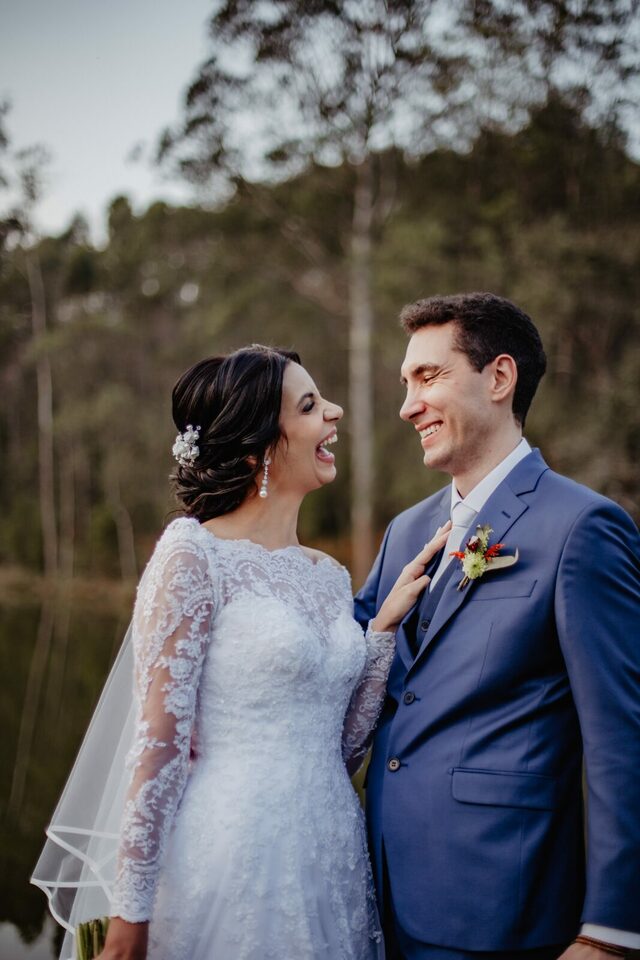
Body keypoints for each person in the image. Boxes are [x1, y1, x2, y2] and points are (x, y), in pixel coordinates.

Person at [33, 344, 451, 960]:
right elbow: (158, 748)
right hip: (233, 855)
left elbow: (340, 750)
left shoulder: (329, 577)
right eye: (309, 405)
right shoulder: (193, 555)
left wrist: (382, 631)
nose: (334, 411)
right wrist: (130, 917)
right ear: (258, 448)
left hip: (331, 856)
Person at [354, 294, 640, 960]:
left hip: (503, 909)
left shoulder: (581, 528)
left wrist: (612, 929)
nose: (408, 406)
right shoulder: (405, 533)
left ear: (500, 377)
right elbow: (348, 676)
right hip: (381, 898)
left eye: (428, 376)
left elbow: (623, 736)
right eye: (406, 383)